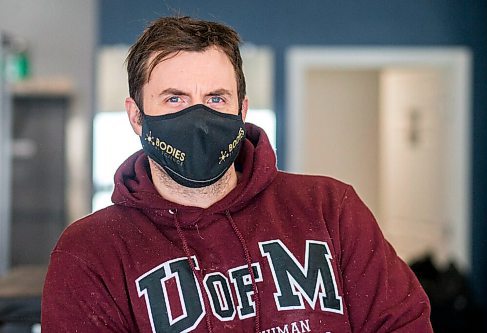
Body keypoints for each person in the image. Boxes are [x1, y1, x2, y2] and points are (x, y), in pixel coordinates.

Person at [41, 16, 432, 333]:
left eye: (216, 99)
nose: (198, 119)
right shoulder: (90, 252)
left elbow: (403, 324)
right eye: (174, 99)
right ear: (136, 116)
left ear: (242, 110)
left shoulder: (330, 208)